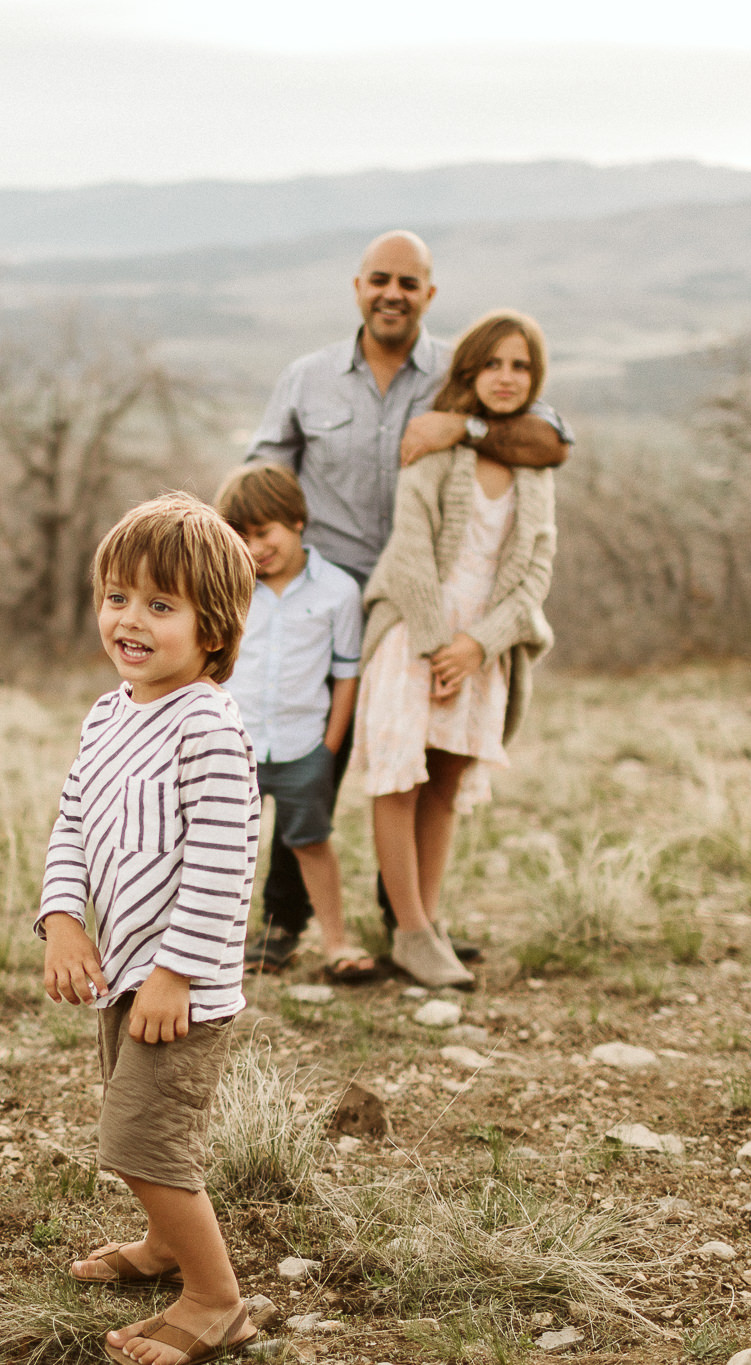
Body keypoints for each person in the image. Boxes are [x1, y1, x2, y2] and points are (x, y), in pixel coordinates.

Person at [241, 231, 569, 971]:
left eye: (409, 283)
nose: (393, 293)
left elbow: (550, 439)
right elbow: (264, 470)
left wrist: (469, 424)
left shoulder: (459, 373)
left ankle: (411, 923)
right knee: (309, 755)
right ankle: (285, 920)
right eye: (380, 280)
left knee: (416, 759)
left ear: (429, 294)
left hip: (423, 599)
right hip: (325, 592)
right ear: (357, 286)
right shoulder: (308, 377)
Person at [38, 495, 261, 1365]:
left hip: (180, 985)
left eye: (160, 606)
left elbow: (221, 861)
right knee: (132, 1129)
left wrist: (177, 972)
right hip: (122, 973)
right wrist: (62, 918)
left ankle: (216, 1298)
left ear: (213, 630)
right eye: (118, 597)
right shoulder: (109, 713)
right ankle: (166, 1245)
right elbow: (71, 821)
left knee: (143, 1137)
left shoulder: (206, 722)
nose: (130, 620)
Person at [354, 310, 560, 989]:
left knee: (444, 782)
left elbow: (535, 570)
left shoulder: (534, 465)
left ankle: (429, 920)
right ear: (469, 371)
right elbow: (409, 551)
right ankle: (408, 930)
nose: (507, 377)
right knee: (400, 777)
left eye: (520, 366)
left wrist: (479, 645)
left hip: (482, 641)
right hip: (416, 632)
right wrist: (439, 645)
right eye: (493, 363)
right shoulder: (435, 451)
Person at [213, 463, 371, 982]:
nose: (254, 548)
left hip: (305, 746)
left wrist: (328, 746)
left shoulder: (338, 591)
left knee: (310, 842)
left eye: (264, 532)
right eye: (241, 536)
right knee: (223, 847)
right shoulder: (230, 588)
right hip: (237, 745)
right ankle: (213, 948)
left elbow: (346, 674)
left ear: (297, 520)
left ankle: (336, 942)